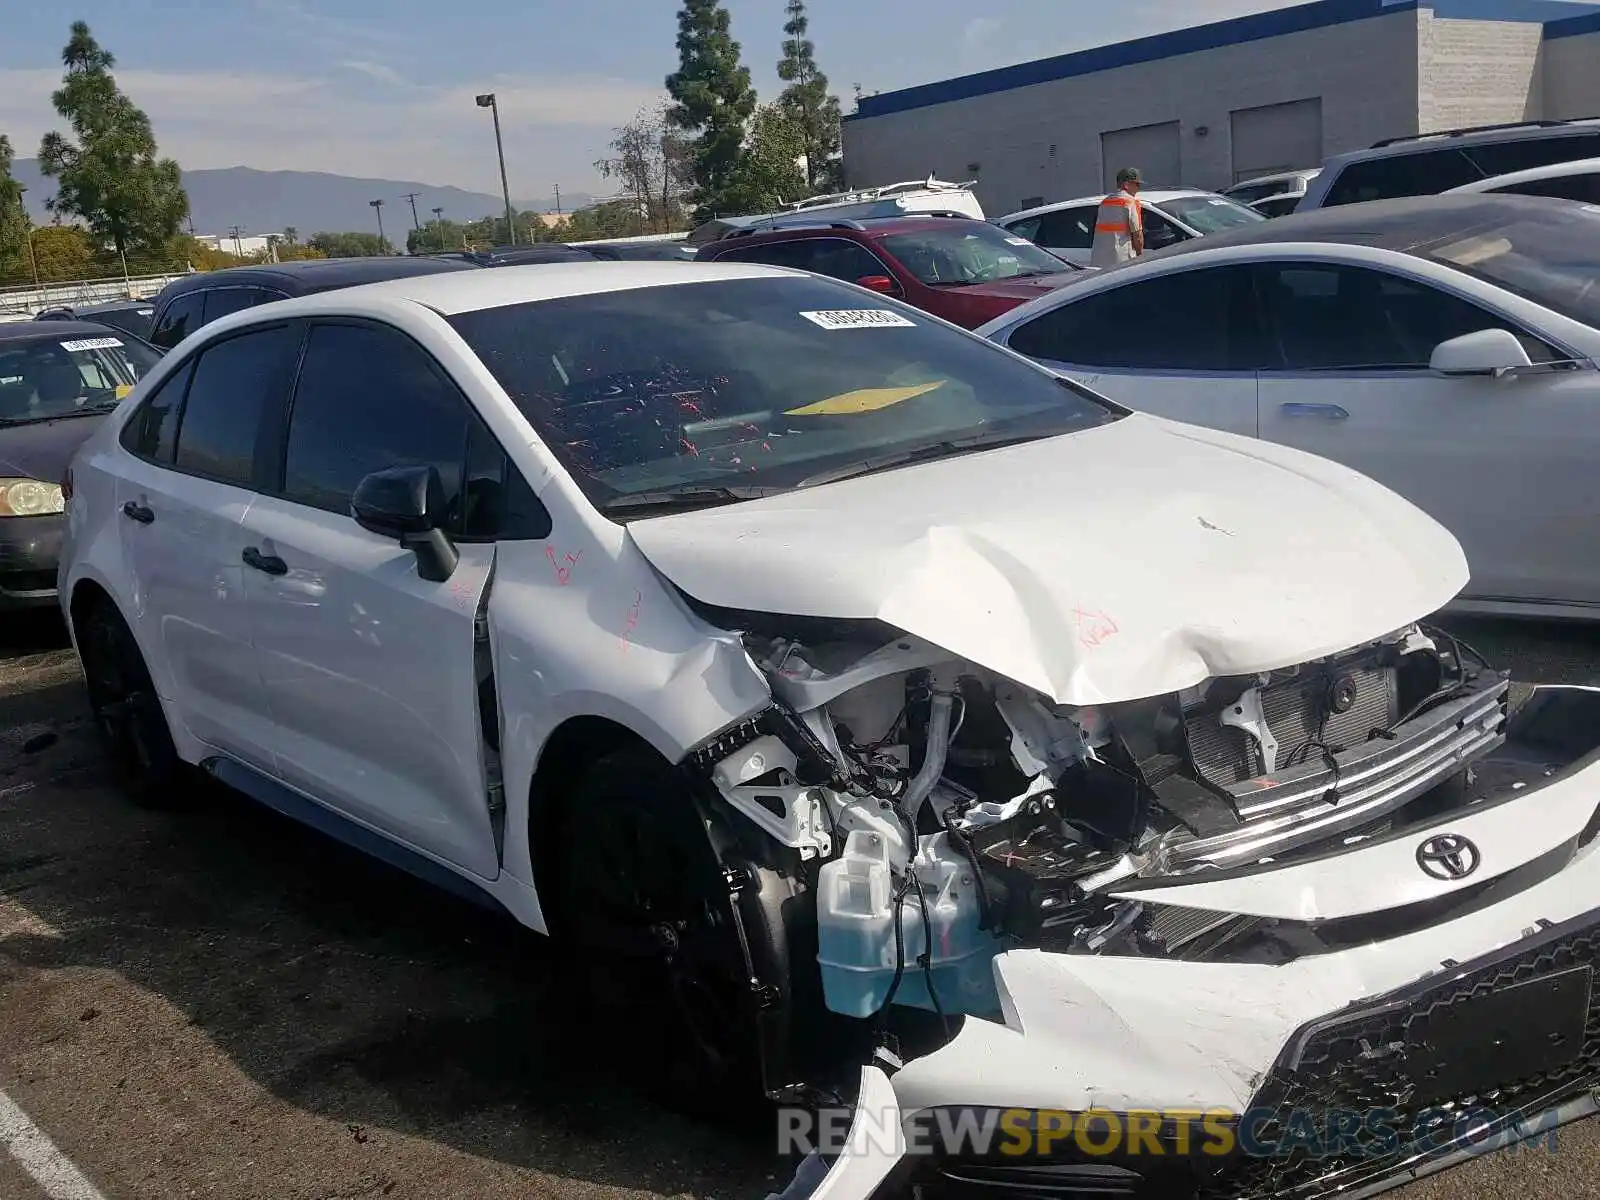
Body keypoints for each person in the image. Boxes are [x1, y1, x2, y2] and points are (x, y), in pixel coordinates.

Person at [1090, 167, 1145, 269]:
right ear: (1126, 185)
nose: (1138, 188)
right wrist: (1140, 258)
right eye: (1137, 184)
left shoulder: (1104, 202)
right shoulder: (1131, 202)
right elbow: (1137, 235)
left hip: (1099, 260)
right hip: (1121, 261)